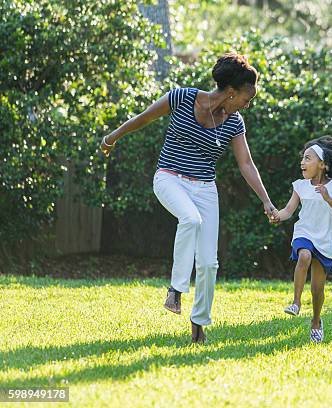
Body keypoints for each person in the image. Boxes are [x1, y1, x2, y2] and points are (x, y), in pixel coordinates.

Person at [100, 52, 277, 344]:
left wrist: (266, 201)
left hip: (205, 187)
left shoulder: (234, 122)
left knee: (209, 263)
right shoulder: (182, 98)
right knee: (190, 220)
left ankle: (198, 326)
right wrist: (112, 137)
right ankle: (176, 289)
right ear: (231, 93)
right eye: (247, 99)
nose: (248, 104)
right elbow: (143, 118)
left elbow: (246, 164)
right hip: (169, 177)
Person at [271, 136, 332, 343]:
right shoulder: (300, 186)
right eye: (303, 159)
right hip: (304, 233)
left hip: (324, 241)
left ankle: (316, 320)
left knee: (317, 289)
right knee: (304, 255)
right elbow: (289, 210)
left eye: (308, 159)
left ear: (322, 165)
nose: (302, 163)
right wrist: (277, 215)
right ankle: (296, 302)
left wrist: (327, 198)